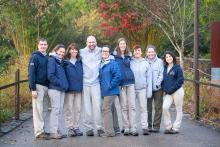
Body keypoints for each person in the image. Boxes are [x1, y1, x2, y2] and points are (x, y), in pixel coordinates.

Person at [80, 35, 104, 136]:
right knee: (87, 108)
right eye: (89, 42)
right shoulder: (81, 52)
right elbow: (68, 54)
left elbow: (112, 54)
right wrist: (52, 54)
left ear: (96, 42)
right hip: (85, 83)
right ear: (86, 43)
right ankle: (89, 128)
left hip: (96, 83)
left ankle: (99, 128)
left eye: (93, 42)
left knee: (98, 106)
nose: (91, 44)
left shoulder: (101, 51)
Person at [114, 37, 138, 136]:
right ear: (118, 45)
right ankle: (126, 127)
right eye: (121, 44)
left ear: (126, 45)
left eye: (124, 43)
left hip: (131, 82)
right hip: (121, 84)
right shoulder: (114, 56)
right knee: (123, 106)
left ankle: (133, 127)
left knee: (132, 106)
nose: (123, 45)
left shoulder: (129, 55)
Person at [28, 38, 50, 140]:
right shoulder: (35, 57)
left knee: (44, 109)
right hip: (38, 86)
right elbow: (31, 74)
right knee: (38, 110)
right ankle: (39, 132)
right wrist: (33, 89)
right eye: (41, 44)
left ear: (47, 46)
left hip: (46, 87)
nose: (43, 46)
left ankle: (42, 129)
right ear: (38, 45)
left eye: (45, 44)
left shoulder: (47, 57)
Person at [99, 45, 121, 137]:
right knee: (111, 109)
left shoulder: (113, 63)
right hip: (105, 91)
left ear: (109, 53)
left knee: (105, 109)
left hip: (111, 90)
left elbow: (118, 76)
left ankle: (109, 132)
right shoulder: (101, 63)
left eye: (106, 51)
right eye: (103, 51)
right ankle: (116, 129)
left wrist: (111, 85)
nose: (104, 52)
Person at [47, 44, 69, 139]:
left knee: (59, 110)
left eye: (63, 52)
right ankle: (53, 131)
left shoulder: (60, 61)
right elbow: (50, 75)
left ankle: (58, 130)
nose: (62, 53)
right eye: (60, 51)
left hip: (61, 89)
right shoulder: (52, 60)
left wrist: (65, 85)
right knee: (55, 110)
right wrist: (61, 84)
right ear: (56, 51)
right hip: (54, 89)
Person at [130, 45, 152, 135]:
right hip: (132, 88)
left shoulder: (146, 63)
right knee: (132, 109)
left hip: (143, 89)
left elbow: (149, 78)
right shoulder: (130, 62)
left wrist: (149, 91)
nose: (137, 52)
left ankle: (145, 127)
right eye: (135, 50)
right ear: (133, 52)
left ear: (141, 52)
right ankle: (133, 128)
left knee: (143, 109)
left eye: (138, 50)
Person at [162, 51, 184, 134]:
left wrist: (172, 89)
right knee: (164, 107)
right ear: (165, 59)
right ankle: (168, 127)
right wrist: (165, 88)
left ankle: (175, 128)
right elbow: (164, 80)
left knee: (179, 109)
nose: (168, 58)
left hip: (177, 91)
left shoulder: (177, 67)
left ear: (173, 57)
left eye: (170, 56)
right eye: (166, 57)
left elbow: (180, 80)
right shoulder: (165, 68)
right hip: (168, 93)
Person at [64, 43, 83, 137]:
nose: (74, 51)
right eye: (72, 49)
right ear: (69, 50)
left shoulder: (80, 61)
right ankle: (70, 128)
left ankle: (76, 127)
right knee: (69, 109)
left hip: (79, 89)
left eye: (76, 49)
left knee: (78, 109)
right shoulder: (65, 61)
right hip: (69, 90)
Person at [146, 44, 164, 133]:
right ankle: (149, 126)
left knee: (158, 107)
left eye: (152, 52)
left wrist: (157, 84)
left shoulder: (160, 61)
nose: (151, 53)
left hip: (158, 88)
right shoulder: (144, 61)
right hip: (147, 88)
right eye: (149, 52)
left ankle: (156, 126)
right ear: (146, 53)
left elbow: (161, 74)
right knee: (148, 108)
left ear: (155, 52)